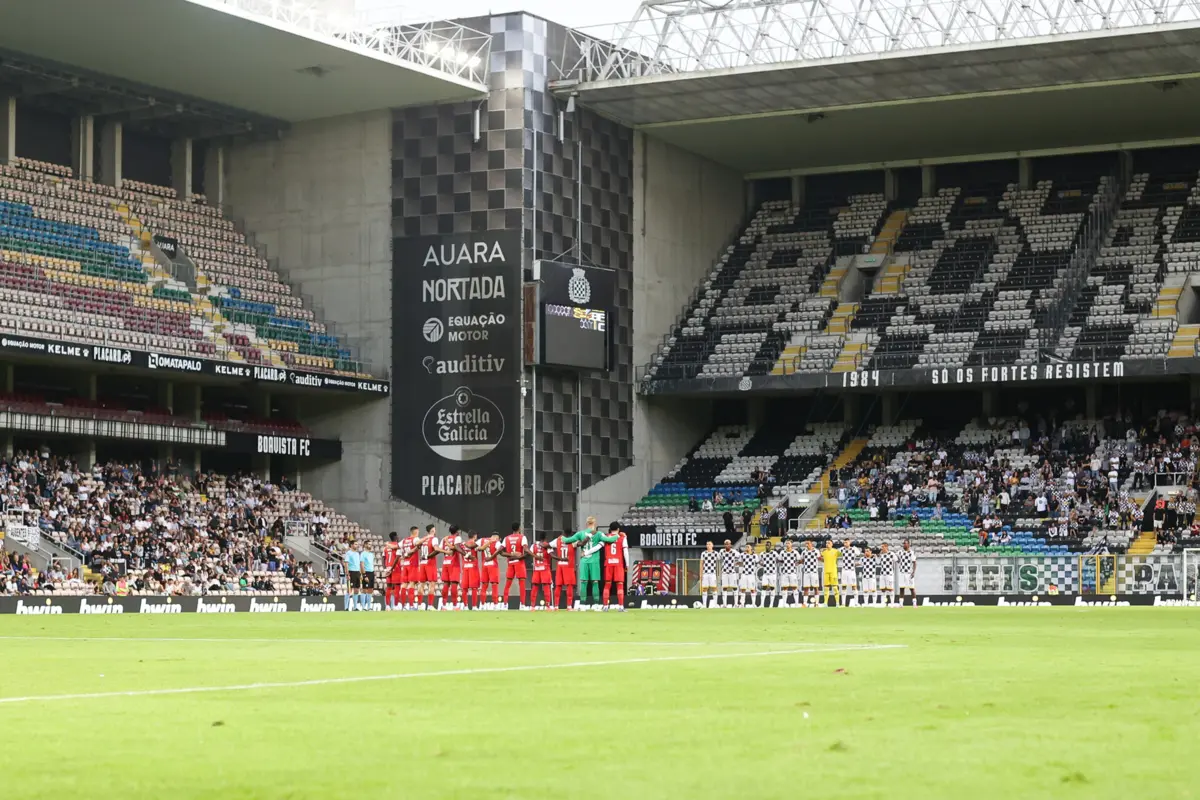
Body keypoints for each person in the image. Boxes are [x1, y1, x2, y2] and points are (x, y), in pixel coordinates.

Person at [559, 516, 617, 609]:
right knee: (595, 582)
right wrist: (619, 535)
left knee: (583, 582)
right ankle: (596, 604)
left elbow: (567, 540)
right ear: (595, 524)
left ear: (586, 524)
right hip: (594, 561)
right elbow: (610, 540)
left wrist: (562, 538)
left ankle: (582, 605)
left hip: (584, 560)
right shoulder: (599, 534)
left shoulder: (581, 533)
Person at [601, 523, 629, 610]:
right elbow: (625, 552)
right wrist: (627, 564)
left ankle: (605, 606)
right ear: (618, 529)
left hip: (608, 563)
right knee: (620, 585)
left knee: (607, 585)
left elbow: (599, 546)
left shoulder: (606, 537)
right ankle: (621, 606)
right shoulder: (622, 537)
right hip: (618, 564)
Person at [501, 523, 529, 609]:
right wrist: (519, 556)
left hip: (510, 562)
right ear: (519, 528)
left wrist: (511, 554)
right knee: (522, 584)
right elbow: (526, 551)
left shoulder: (507, 538)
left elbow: (501, 552)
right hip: (519, 563)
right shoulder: (522, 537)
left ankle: (505, 604)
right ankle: (522, 605)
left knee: (507, 584)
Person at [550, 530, 579, 610]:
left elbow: (548, 546)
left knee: (558, 585)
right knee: (569, 586)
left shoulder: (557, 540)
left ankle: (556, 606)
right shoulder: (573, 540)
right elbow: (580, 544)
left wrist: (555, 557)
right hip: (568, 565)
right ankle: (569, 606)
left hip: (560, 565)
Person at [439, 525, 463, 610]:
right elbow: (455, 547)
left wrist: (446, 542)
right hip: (454, 563)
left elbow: (439, 549)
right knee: (454, 585)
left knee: (446, 584)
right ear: (457, 531)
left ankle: (443, 606)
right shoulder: (457, 538)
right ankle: (455, 606)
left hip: (445, 562)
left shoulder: (444, 538)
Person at [530, 533, 555, 609]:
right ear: (545, 538)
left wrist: (535, 556)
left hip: (537, 568)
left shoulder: (533, 545)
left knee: (535, 587)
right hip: (545, 568)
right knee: (546, 587)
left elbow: (528, 552)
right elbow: (552, 555)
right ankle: (548, 606)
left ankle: (532, 606)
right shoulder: (547, 545)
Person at [399, 526, 421, 610]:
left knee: (404, 585)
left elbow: (398, 547)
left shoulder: (404, 540)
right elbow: (419, 544)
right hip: (413, 564)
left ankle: (403, 606)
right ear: (415, 532)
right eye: (418, 532)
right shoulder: (415, 539)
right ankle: (411, 606)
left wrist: (403, 555)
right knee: (412, 584)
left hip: (405, 564)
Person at [418, 525, 440, 610]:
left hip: (422, 563)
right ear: (432, 530)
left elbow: (418, 546)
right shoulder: (434, 539)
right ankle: (430, 606)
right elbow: (436, 549)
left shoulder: (424, 539)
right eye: (434, 528)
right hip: (430, 563)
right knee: (432, 584)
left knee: (421, 584)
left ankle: (419, 606)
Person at [460, 531, 482, 610]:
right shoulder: (475, 544)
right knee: (474, 588)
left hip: (465, 567)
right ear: (475, 536)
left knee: (464, 588)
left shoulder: (462, 544)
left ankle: (465, 606)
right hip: (473, 567)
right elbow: (480, 549)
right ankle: (474, 606)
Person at [480, 533, 502, 609]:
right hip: (492, 565)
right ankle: (495, 605)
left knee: (484, 586)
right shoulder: (496, 542)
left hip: (485, 564)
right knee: (494, 585)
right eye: (498, 538)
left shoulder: (482, 540)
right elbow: (501, 548)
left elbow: (477, 547)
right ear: (496, 538)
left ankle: (482, 605)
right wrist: (492, 556)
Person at [778, 540, 800, 607]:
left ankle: (796, 604)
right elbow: (780, 560)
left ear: (791, 545)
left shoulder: (795, 552)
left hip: (792, 572)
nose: (787, 544)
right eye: (786, 543)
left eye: (789, 543)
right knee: (785, 588)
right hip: (785, 572)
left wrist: (795, 564)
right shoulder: (782, 552)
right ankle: (784, 604)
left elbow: (799, 560)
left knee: (794, 587)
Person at [383, 531, 402, 610]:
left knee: (388, 587)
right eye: (397, 536)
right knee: (397, 587)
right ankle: (396, 605)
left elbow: (383, 559)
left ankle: (387, 606)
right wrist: (391, 568)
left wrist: (385, 569)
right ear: (395, 537)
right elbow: (397, 557)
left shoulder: (386, 547)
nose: (398, 537)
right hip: (395, 568)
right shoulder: (397, 546)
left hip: (388, 568)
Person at [839, 537, 859, 607]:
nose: (845, 543)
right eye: (844, 542)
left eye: (846, 542)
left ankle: (856, 603)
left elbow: (859, 554)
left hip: (851, 570)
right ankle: (843, 603)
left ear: (849, 542)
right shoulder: (841, 549)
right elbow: (836, 554)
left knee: (854, 586)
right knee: (843, 586)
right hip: (844, 570)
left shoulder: (854, 549)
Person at [820, 539, 840, 606]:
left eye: (829, 543)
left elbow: (844, 554)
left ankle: (837, 603)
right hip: (826, 571)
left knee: (835, 588)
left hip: (833, 571)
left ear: (832, 544)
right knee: (826, 588)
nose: (827, 544)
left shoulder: (835, 551)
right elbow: (822, 559)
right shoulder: (824, 552)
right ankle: (825, 603)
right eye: (826, 543)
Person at [699, 540, 720, 608]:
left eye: (709, 544)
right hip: (705, 573)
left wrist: (718, 572)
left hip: (712, 573)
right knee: (704, 589)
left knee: (714, 588)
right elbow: (701, 564)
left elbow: (720, 561)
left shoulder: (716, 553)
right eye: (707, 544)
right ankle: (704, 605)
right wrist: (701, 574)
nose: (708, 545)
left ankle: (715, 604)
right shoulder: (703, 553)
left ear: (712, 545)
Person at [898, 539, 917, 606]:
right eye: (903, 543)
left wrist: (913, 572)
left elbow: (914, 563)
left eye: (905, 543)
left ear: (908, 544)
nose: (904, 544)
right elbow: (897, 559)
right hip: (902, 573)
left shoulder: (911, 552)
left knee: (912, 588)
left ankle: (914, 604)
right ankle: (901, 604)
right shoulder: (900, 552)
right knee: (901, 588)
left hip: (909, 573)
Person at [719, 539, 739, 607]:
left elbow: (740, 557)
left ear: (730, 545)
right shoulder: (721, 551)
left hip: (732, 572)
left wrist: (736, 563)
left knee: (734, 587)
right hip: (724, 572)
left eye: (728, 544)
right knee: (724, 588)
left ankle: (736, 604)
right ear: (724, 545)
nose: (727, 545)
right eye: (726, 544)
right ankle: (724, 604)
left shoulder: (734, 552)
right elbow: (718, 558)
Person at [343, 541, 361, 612]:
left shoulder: (357, 553)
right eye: (356, 544)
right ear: (352, 545)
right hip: (351, 572)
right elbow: (346, 564)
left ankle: (355, 607)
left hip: (357, 572)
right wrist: (347, 574)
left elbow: (359, 563)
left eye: (357, 544)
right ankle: (346, 607)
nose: (357, 545)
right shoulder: (348, 553)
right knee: (349, 589)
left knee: (356, 590)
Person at [801, 540, 821, 607]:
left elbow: (819, 558)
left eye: (808, 543)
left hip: (814, 572)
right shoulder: (804, 552)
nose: (807, 545)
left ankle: (817, 603)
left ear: (811, 544)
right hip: (806, 572)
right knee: (806, 588)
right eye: (806, 544)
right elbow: (802, 560)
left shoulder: (816, 551)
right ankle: (805, 603)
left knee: (816, 588)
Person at [758, 543, 778, 608]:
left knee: (772, 588)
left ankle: (771, 604)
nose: (767, 546)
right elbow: (759, 561)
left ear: (770, 546)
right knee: (763, 588)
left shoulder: (774, 553)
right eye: (766, 545)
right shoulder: (762, 554)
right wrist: (762, 564)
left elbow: (779, 559)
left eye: (768, 545)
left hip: (772, 574)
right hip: (765, 574)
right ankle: (761, 604)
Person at [359, 542, 375, 611]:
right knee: (364, 589)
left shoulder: (372, 554)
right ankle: (363, 606)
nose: (370, 545)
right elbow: (362, 564)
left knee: (370, 590)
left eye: (371, 544)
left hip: (371, 573)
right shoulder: (363, 554)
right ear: (365, 545)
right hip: (366, 573)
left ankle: (369, 606)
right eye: (369, 544)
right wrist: (364, 575)